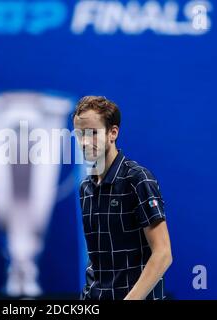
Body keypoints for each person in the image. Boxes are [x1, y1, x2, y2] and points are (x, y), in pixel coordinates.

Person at [73, 96, 173, 300]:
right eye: (79, 134)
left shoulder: (138, 180)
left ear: (113, 133)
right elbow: (98, 260)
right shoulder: (85, 187)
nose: (84, 142)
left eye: (92, 133)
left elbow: (163, 254)